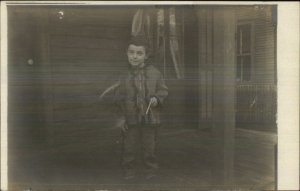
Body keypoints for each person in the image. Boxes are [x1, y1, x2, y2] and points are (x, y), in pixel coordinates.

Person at [99, 35, 168, 180]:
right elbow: (117, 99)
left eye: (139, 53)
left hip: (150, 119)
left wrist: (157, 98)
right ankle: (129, 171)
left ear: (146, 55)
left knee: (150, 147)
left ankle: (151, 171)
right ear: (126, 53)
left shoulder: (155, 73)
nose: (134, 57)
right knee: (129, 147)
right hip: (130, 120)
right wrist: (121, 118)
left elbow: (163, 90)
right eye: (131, 52)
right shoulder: (123, 76)